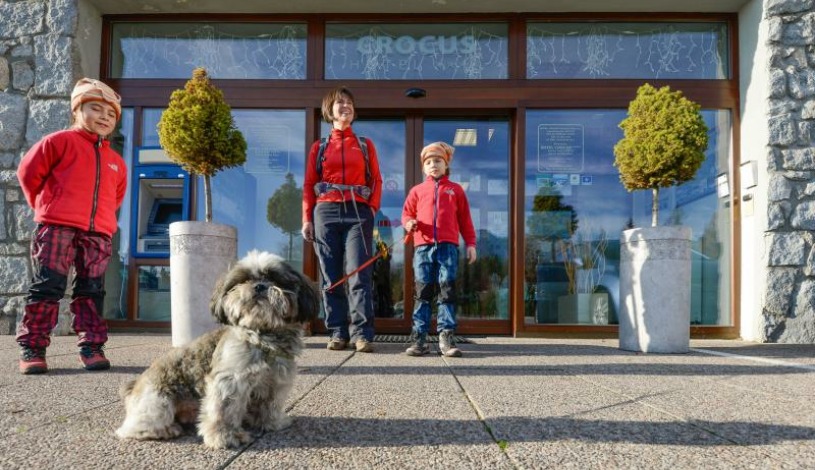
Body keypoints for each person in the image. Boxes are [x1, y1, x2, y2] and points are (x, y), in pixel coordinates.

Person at [16, 78, 127, 374]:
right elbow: (28, 175)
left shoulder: (117, 161)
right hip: (56, 227)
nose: (105, 117)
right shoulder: (58, 142)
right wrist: (45, 207)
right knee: (48, 286)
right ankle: (33, 347)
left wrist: (101, 219)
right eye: (96, 108)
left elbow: (116, 196)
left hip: (98, 233)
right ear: (77, 110)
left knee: (92, 290)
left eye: (111, 114)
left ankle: (91, 346)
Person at [301, 86, 382, 353]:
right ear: (329, 110)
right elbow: (309, 184)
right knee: (331, 276)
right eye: (339, 103)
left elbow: (376, 180)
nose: (345, 106)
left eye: (349, 102)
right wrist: (307, 218)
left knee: (359, 273)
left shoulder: (365, 145)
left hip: (359, 213)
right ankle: (337, 331)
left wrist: (371, 209)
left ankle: (362, 334)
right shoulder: (320, 147)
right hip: (326, 212)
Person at [402, 141, 476, 357]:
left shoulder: (456, 190)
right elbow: (406, 213)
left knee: (447, 292)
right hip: (423, 247)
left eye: (438, 160)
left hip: (448, 248)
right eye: (429, 162)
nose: (433, 164)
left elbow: (465, 220)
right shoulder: (417, 191)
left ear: (446, 165)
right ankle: (419, 339)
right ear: (423, 167)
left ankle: (446, 337)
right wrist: (408, 223)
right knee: (422, 293)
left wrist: (471, 243)